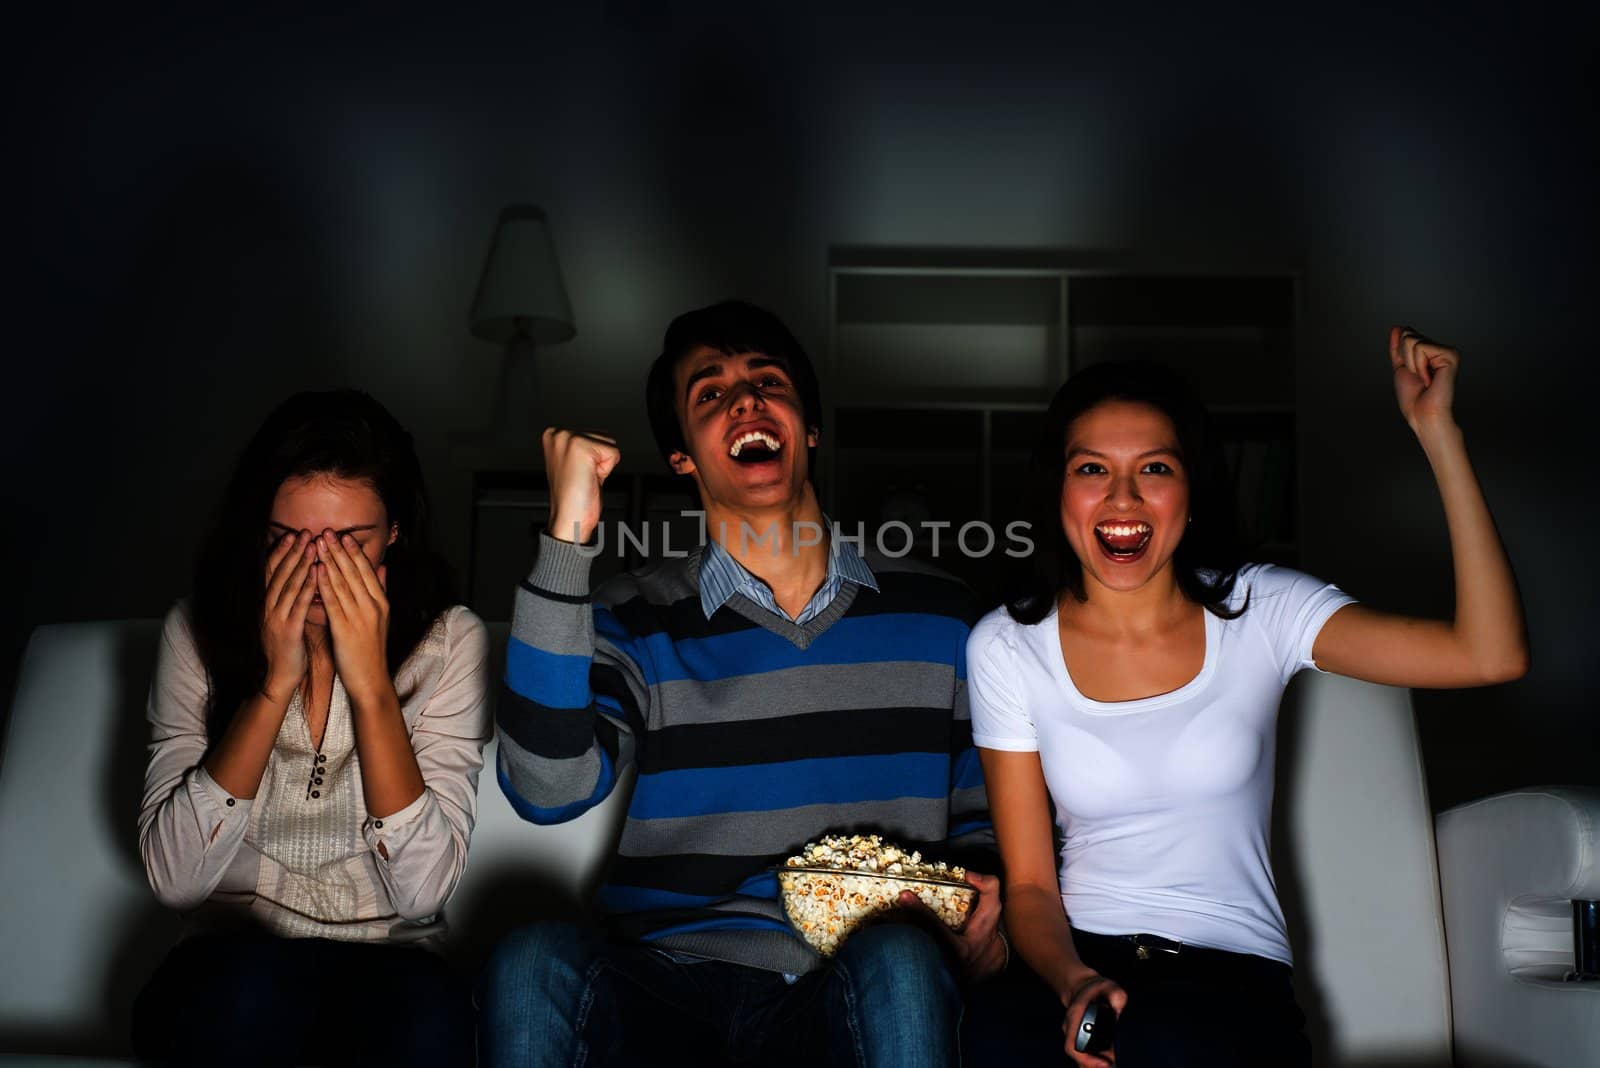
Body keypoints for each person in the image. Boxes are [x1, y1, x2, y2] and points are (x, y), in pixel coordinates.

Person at [964, 328, 1527, 1067]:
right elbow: (1033, 886)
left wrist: (1438, 434)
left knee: (1167, 1045)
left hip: (1227, 980)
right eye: (1093, 469)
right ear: (1060, 494)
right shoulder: (1006, 644)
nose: (1123, 497)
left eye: (1155, 468)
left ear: (1191, 493)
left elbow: (1489, 655)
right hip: (1076, 965)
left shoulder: (1263, 610)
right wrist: (1075, 983)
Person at [478, 300, 1006, 1067]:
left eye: (767, 382)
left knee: (899, 964)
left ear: (810, 430)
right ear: (684, 457)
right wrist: (568, 535)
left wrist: (988, 911)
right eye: (710, 394)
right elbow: (547, 787)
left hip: (858, 979)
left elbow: (984, 820)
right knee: (532, 958)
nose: (745, 401)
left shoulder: (945, 616)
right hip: (664, 980)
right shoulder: (634, 615)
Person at [133, 389, 491, 1068]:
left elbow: (421, 893)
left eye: (349, 543)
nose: (318, 572)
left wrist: (372, 690)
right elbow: (175, 879)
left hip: (391, 961)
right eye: (288, 542)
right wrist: (273, 686)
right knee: (245, 999)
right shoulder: (195, 630)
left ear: (393, 534)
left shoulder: (450, 641)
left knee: (426, 1024)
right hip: (233, 960)